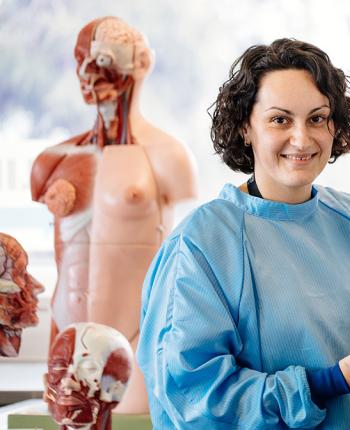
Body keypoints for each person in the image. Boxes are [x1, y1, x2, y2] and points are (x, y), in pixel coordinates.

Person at [137, 39, 350, 429]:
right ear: (245, 127)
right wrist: (325, 384)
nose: (302, 139)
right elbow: (195, 399)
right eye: (280, 120)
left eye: (317, 118)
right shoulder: (202, 245)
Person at [30, 16, 197, 413]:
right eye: (82, 59)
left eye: (104, 58)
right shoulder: (52, 161)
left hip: (136, 337)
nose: (89, 72)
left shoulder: (168, 157)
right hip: (64, 336)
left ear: (141, 64)